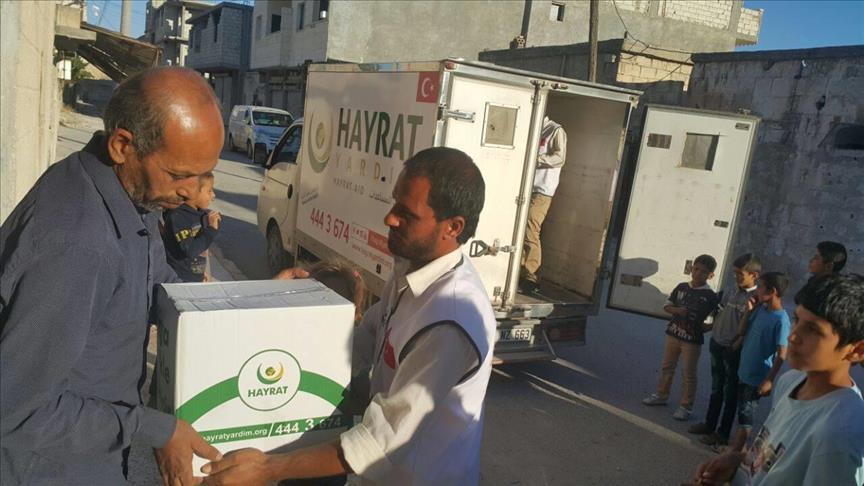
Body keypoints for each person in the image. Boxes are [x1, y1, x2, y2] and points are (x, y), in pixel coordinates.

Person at [200, 147, 496, 485]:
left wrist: (268, 468)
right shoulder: (409, 271)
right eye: (394, 203)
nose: (390, 218)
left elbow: (381, 442)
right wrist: (281, 316)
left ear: (453, 227)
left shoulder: (450, 321)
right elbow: (359, 345)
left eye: (407, 214)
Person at [0, 67, 225, 485]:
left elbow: (159, 286)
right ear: (123, 145)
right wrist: (155, 429)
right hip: (52, 470)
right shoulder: (77, 242)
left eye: (203, 174)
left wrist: (255, 304)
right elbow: (17, 409)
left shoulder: (132, 195)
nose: (190, 192)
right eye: (179, 175)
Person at [690, 274, 864, 486]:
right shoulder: (791, 381)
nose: (793, 336)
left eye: (813, 330)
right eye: (797, 320)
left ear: (857, 350)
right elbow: (771, 455)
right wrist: (738, 461)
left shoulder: (839, 434)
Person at [689, 254, 761, 446]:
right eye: (735, 273)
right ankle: (709, 424)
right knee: (716, 388)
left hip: (733, 350)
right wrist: (709, 328)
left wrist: (736, 344)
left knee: (730, 393)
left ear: (754, 275)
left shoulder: (756, 298)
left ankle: (722, 433)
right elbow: (720, 314)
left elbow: (750, 328)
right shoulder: (731, 290)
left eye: (740, 274)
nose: (736, 277)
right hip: (717, 343)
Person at [643, 254, 720, 421]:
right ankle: (661, 395)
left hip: (692, 341)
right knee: (667, 366)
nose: (698, 273)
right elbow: (667, 306)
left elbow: (718, 319)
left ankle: (686, 406)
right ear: (691, 269)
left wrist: (706, 328)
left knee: (688, 373)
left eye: (703, 272)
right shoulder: (682, 287)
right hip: (673, 334)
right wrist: (676, 311)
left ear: (711, 275)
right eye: (696, 269)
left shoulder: (711, 296)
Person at [729, 272, 792, 452]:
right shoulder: (761, 310)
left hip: (757, 376)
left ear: (772, 291)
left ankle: (736, 453)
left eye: (761, 287)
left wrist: (769, 380)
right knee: (741, 410)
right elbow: (742, 331)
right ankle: (737, 448)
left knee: (746, 416)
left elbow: (782, 354)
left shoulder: (781, 320)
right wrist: (749, 310)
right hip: (744, 369)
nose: (757, 290)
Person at [519, 116, 567, 294]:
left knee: (530, 228)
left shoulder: (555, 130)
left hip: (542, 190)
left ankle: (531, 274)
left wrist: (536, 159)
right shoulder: (532, 127)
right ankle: (520, 270)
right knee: (520, 228)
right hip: (526, 187)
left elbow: (560, 158)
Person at [162, 172, 221, 282]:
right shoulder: (178, 217)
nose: (213, 195)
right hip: (179, 279)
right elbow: (190, 250)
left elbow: (200, 248)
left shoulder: (198, 214)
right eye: (209, 191)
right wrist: (211, 230)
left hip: (194, 276)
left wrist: (200, 272)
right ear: (192, 192)